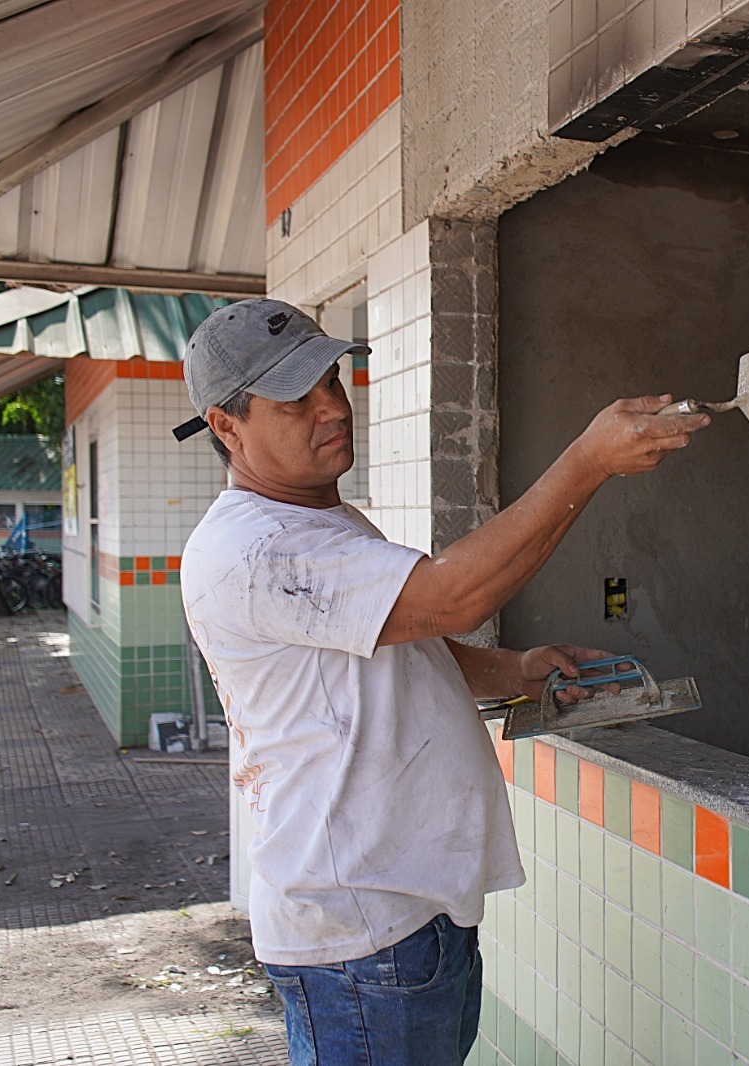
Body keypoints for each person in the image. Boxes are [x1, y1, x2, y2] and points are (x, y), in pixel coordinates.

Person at [174, 299, 708, 1065]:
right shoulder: (258, 550)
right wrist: (587, 462)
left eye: (333, 379)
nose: (332, 407)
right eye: (296, 398)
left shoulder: (325, 525)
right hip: (361, 933)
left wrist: (516, 672)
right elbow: (452, 597)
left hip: (408, 919)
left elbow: (402, 639)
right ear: (227, 427)